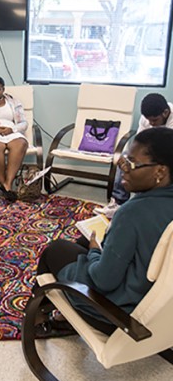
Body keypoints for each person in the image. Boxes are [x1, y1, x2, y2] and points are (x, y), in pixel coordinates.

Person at [34, 127, 173, 338]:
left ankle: (41, 320)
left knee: (55, 250)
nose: (123, 168)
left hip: (120, 315)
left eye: (131, 163)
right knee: (82, 240)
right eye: (124, 160)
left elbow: (103, 280)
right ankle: (61, 316)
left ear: (160, 172)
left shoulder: (131, 213)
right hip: (160, 311)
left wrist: (95, 252)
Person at [94, 93, 173, 219]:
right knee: (126, 158)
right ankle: (118, 202)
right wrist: (128, 158)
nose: (151, 124)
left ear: (165, 112)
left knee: (144, 168)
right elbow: (139, 142)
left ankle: (142, 203)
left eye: (154, 120)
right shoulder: (146, 118)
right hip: (151, 152)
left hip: (168, 157)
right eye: (149, 120)